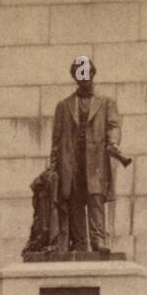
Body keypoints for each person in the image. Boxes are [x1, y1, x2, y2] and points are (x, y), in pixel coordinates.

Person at [47, 56, 122, 254]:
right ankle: (80, 243)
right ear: (76, 79)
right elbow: (55, 141)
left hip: (96, 161)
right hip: (71, 162)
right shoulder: (63, 106)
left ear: (92, 76)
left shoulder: (106, 103)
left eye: (87, 77)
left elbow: (113, 126)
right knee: (75, 201)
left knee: (96, 198)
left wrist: (113, 143)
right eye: (81, 78)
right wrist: (53, 166)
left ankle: (98, 240)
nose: (85, 81)